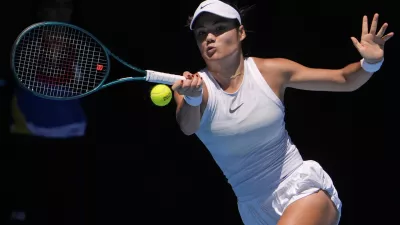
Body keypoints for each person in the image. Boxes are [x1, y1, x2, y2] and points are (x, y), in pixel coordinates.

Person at [171, 0, 393, 224]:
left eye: (219, 29)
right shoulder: (190, 88)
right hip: (253, 210)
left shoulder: (271, 71)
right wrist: (193, 97)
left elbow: (344, 79)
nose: (209, 37)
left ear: (240, 33)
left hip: (300, 190)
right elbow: (188, 127)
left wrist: (371, 63)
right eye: (201, 33)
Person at [7, 0, 88, 224]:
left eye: (66, 8)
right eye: (55, 6)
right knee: (24, 189)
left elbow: (88, 79)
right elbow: (21, 77)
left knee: (64, 194)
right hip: (29, 126)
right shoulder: (28, 41)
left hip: (70, 129)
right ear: (43, 10)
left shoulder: (81, 46)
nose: (61, 13)